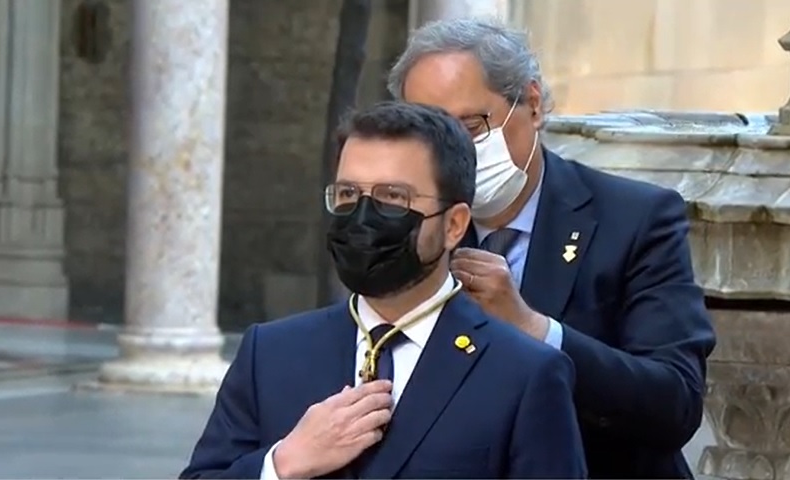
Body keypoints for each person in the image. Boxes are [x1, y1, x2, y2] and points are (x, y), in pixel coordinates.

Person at [180, 102, 587, 479]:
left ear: (454, 225)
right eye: (348, 194)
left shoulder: (524, 374)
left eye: (393, 197)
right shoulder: (269, 353)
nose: (362, 217)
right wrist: (282, 463)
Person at [386, 18, 717, 479]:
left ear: (534, 105)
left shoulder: (636, 219)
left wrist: (535, 329)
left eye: (470, 125)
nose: (454, 153)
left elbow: (674, 402)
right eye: (433, 134)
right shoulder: (410, 227)